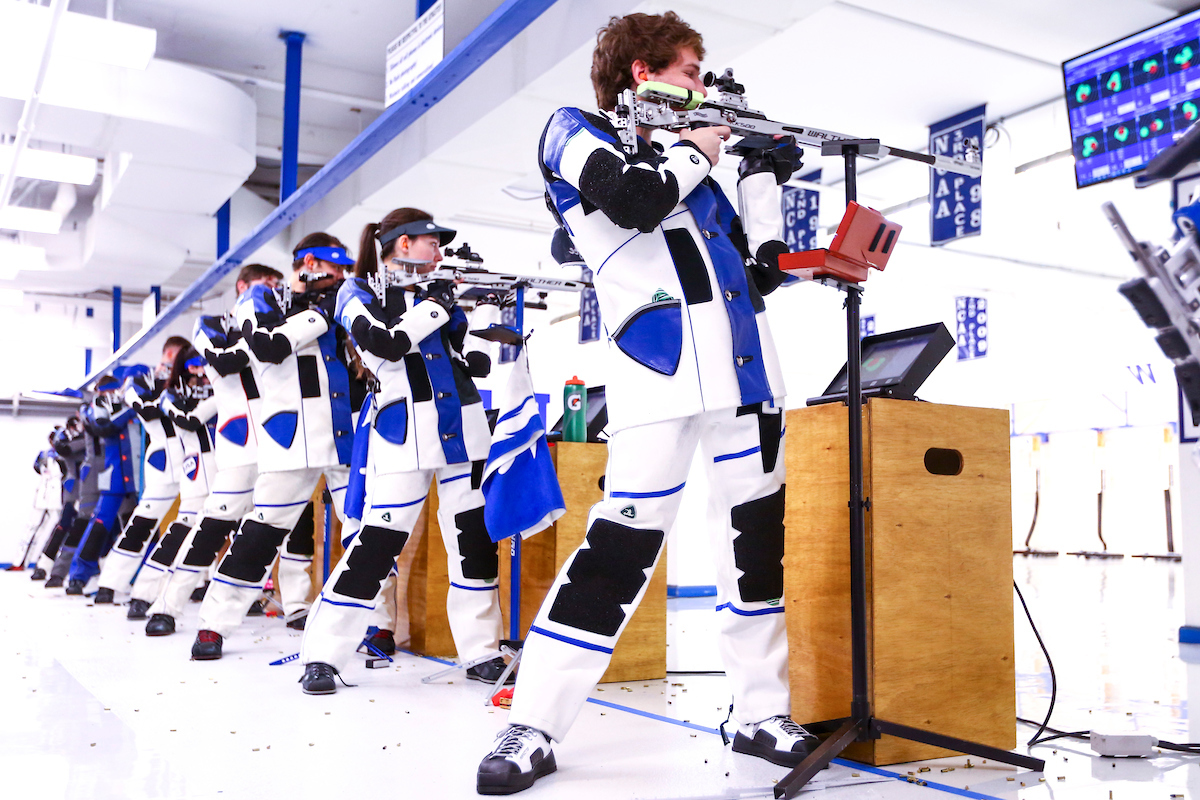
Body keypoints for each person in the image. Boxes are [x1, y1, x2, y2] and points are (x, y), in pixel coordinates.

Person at [476, 12, 807, 794]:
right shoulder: (574, 131)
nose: (701, 87)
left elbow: (762, 274)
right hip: (655, 376)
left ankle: (760, 712)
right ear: (642, 73)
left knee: (756, 552)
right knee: (615, 554)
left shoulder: (698, 171)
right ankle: (535, 720)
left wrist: (761, 175)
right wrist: (704, 144)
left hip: (746, 378)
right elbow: (633, 201)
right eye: (692, 73)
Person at [298, 208, 505, 694]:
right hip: (402, 432)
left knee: (472, 544)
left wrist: (473, 332)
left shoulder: (438, 294)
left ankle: (481, 651)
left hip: (462, 430)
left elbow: (458, 355)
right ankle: (323, 655)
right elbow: (384, 344)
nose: (439, 251)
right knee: (375, 546)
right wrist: (435, 304)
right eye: (431, 242)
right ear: (402, 243)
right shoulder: (357, 292)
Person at [189, 235, 367, 659]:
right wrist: (320, 313)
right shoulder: (261, 299)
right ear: (309, 262)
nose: (340, 276)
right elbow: (267, 347)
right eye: (334, 267)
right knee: (259, 535)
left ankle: (374, 625)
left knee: (366, 535)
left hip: (344, 435)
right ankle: (214, 625)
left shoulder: (340, 303)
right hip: (291, 438)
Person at [141, 264, 315, 635]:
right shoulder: (210, 325)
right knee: (211, 527)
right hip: (238, 445)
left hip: (283, 438)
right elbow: (225, 359)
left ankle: (297, 605)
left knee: (296, 526)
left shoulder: (283, 319)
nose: (272, 289)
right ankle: (167, 605)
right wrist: (260, 333)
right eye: (264, 283)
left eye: (275, 283)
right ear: (241, 287)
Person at [93, 339, 190, 604]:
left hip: (196, 458)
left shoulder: (191, 378)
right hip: (162, 459)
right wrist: (163, 383)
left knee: (200, 524)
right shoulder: (144, 380)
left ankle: (199, 583)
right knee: (141, 524)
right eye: (177, 356)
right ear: (168, 354)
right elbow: (138, 402)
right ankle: (110, 584)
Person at [63, 376, 139, 594]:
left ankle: (140, 575)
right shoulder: (93, 409)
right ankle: (78, 576)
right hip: (111, 474)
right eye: (108, 392)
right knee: (98, 524)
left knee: (140, 526)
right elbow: (102, 427)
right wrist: (130, 409)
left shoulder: (133, 404)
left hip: (138, 475)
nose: (112, 395)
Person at [37, 413, 87, 584]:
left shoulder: (92, 439)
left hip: (94, 488)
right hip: (75, 489)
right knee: (64, 526)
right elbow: (63, 447)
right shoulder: (69, 441)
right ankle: (46, 566)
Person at [10, 428, 66, 572]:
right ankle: (20, 562)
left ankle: (51, 564)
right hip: (43, 494)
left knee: (60, 528)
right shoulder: (44, 455)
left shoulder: (64, 454)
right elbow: (37, 468)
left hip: (58, 496)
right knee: (32, 527)